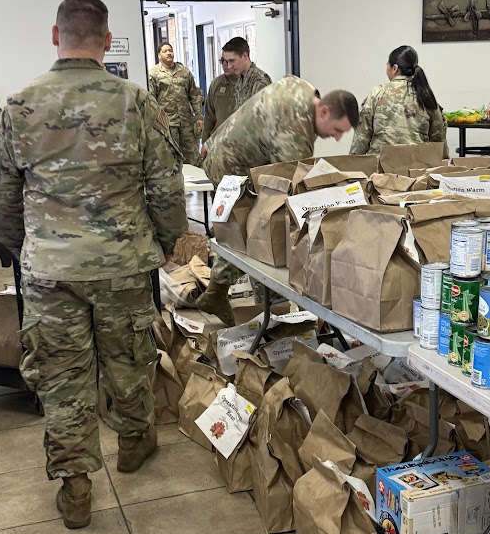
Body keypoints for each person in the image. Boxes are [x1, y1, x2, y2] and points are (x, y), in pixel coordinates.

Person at [0, 0, 187, 530]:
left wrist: (28, 246)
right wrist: (169, 242)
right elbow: (166, 187)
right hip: (122, 265)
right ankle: (134, 442)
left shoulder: (20, 105)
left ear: (56, 36)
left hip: (51, 270)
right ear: (107, 41)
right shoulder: (135, 101)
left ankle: (75, 487)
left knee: (63, 377)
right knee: (129, 360)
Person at [197, 75, 359, 325]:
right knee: (255, 233)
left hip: (227, 149)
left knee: (253, 232)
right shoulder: (293, 131)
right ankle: (272, 311)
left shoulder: (304, 90)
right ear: (324, 111)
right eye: (338, 130)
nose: (337, 138)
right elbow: (296, 191)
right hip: (231, 166)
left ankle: (220, 294)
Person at [350, 45, 448, 158]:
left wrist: (352, 162)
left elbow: (362, 136)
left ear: (395, 68)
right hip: (417, 166)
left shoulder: (378, 93)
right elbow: (439, 142)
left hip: (381, 166)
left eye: (387, 65)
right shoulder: (425, 95)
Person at [201, 37, 271, 155]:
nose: (229, 66)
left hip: (253, 150)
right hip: (238, 146)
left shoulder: (259, 82)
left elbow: (258, 123)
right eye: (225, 61)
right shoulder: (241, 79)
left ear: (245, 56)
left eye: (232, 61)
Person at [149, 42, 203, 164]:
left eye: (170, 50)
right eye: (165, 51)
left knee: (192, 156)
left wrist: (199, 116)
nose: (169, 53)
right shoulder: (154, 74)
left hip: (186, 122)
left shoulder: (184, 72)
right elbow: (151, 100)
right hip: (167, 124)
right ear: (159, 55)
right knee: (171, 158)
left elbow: (194, 96)